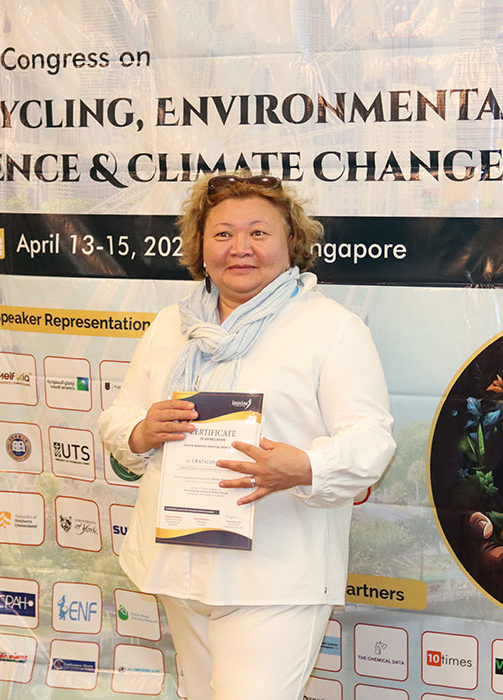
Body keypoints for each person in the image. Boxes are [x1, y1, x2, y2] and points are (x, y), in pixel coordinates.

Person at [98, 173, 396, 699]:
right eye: (222, 234)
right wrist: (143, 431)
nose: (240, 248)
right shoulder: (171, 326)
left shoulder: (331, 328)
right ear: (199, 246)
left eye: (259, 233)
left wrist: (304, 467)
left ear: (290, 242)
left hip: (274, 573)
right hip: (179, 563)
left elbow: (371, 439)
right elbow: (119, 417)